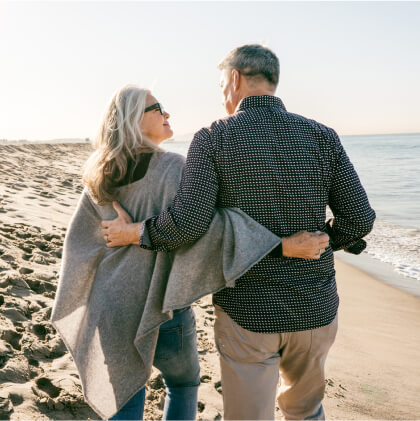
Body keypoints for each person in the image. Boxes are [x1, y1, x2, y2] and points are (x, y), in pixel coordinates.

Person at [103, 44, 376, 420]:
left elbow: (187, 224)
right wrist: (325, 239)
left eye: (220, 86)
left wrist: (136, 232)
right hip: (315, 307)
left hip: (248, 310)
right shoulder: (322, 135)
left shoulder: (214, 137)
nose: (221, 97)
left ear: (234, 79)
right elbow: (360, 219)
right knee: (307, 411)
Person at [51, 84, 328, 421]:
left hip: (111, 309)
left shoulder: (99, 173)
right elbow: (209, 229)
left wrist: (120, 244)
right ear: (133, 119)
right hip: (164, 309)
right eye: (157, 108)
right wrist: (282, 244)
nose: (167, 113)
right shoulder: (173, 168)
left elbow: (79, 242)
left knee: (125, 398)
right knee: (182, 385)